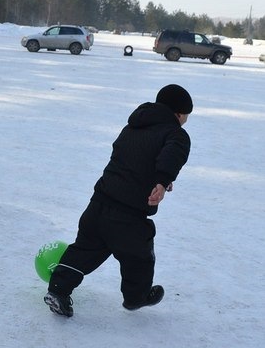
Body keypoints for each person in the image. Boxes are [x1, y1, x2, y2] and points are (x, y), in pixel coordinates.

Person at [44, 84, 193, 318]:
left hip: (100, 201)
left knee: (84, 249)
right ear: (178, 113)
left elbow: (134, 157)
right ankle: (137, 297)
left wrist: (159, 179)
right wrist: (162, 181)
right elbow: (172, 154)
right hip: (129, 213)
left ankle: (58, 290)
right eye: (186, 116)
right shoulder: (176, 134)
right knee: (139, 257)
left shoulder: (133, 125)